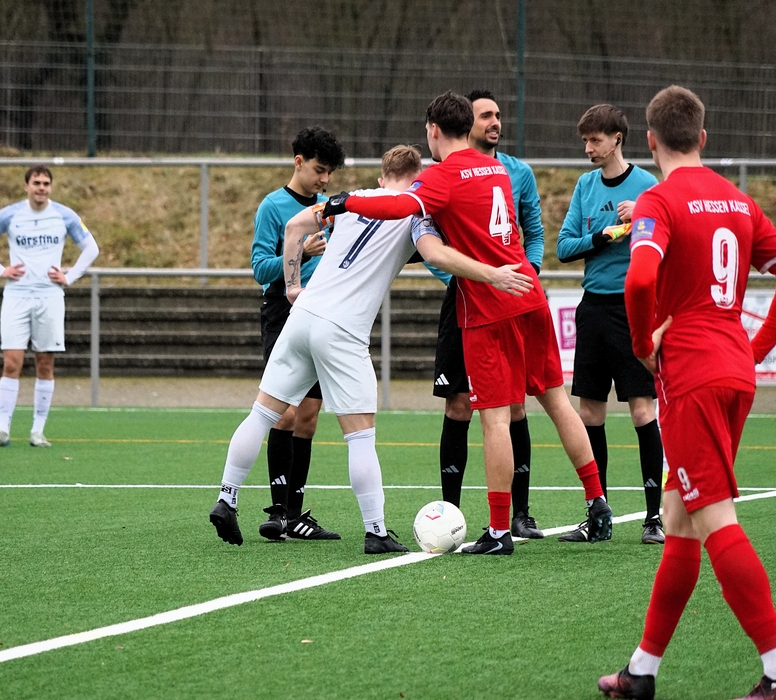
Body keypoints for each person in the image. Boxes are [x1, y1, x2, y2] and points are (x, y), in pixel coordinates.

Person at [322, 91, 613, 555]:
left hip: (489, 308)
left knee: (495, 419)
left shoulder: (444, 175)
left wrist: (346, 201)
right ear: (469, 127)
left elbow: (400, 207)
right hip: (528, 294)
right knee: (557, 402)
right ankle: (598, 502)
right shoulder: (496, 167)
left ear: (433, 131)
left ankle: (499, 531)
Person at [597, 86, 776, 700]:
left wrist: (642, 344)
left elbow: (639, 276)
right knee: (679, 519)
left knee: (714, 518)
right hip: (731, 370)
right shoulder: (740, 202)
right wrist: (754, 348)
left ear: (649, 141)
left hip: (690, 376)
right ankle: (642, 672)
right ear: (704, 137)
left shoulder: (656, 200)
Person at [208, 145, 534, 553]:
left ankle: (227, 497)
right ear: (417, 181)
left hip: (304, 315)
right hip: (343, 330)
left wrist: (293, 285)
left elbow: (294, 227)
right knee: (360, 436)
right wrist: (489, 272)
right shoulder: (416, 213)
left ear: (382, 178)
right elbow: (435, 254)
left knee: (262, 413)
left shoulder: (352, 199)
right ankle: (377, 532)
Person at [429, 89, 547, 539]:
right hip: (466, 297)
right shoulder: (444, 173)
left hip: (508, 299)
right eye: (486, 116)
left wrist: (523, 276)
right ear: (467, 125)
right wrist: (464, 281)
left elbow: (530, 232)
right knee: (459, 405)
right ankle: (450, 514)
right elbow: (431, 239)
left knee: (512, 407)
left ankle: (520, 514)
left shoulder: (515, 171)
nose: (495, 122)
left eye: (498, 114)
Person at [555, 103, 665, 545]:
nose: (589, 148)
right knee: (589, 413)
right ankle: (597, 513)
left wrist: (642, 215)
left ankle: (653, 518)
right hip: (593, 308)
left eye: (595, 140)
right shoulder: (584, 185)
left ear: (617, 138)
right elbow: (563, 246)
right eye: (585, 140)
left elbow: (666, 237)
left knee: (641, 411)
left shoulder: (648, 187)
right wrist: (599, 237)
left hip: (633, 308)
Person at [250, 126, 346, 542]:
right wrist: (297, 253)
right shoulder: (273, 207)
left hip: (321, 315)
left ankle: (294, 513)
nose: (324, 180)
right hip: (282, 312)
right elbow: (259, 269)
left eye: (330, 174)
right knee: (284, 412)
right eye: (319, 170)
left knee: (308, 416)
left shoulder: (331, 208)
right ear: (299, 162)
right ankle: (276, 510)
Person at [0, 165, 99, 449]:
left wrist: (70, 276)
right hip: (16, 295)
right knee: (11, 362)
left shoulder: (65, 215)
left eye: (46, 183)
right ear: (26, 186)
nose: (41, 188)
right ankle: (2, 430)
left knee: (45, 363)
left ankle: (37, 431)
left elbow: (92, 248)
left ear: (50, 188)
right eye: (36, 183)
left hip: (50, 296)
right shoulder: (11, 214)